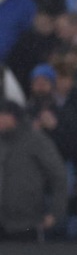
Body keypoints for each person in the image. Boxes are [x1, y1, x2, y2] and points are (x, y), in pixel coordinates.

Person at [0, 99, 68, 241]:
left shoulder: (35, 140)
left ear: (12, 117)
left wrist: (55, 212)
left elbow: (58, 175)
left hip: (27, 222)